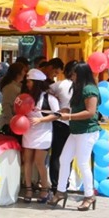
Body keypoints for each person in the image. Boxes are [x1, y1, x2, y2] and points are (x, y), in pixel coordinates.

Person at [49, 62, 100, 212]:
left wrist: (69, 116)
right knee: (64, 159)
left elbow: (90, 112)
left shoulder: (90, 90)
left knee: (83, 163)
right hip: (76, 130)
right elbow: (74, 108)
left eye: (75, 74)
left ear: (82, 74)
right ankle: (60, 191)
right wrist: (63, 112)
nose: (72, 77)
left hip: (87, 131)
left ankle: (89, 195)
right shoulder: (77, 88)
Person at [19, 69, 57, 203]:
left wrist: (40, 120)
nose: (27, 84)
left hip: (44, 133)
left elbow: (57, 114)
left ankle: (45, 188)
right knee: (27, 161)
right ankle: (28, 188)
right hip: (28, 132)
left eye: (29, 81)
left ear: (36, 83)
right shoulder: (25, 97)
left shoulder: (49, 98)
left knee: (39, 161)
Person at [47, 59, 73, 192]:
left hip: (59, 122)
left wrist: (56, 100)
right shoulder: (80, 87)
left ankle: (56, 184)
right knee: (69, 156)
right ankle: (65, 182)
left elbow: (47, 91)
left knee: (57, 154)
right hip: (73, 124)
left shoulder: (59, 85)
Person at [0, 62, 27, 134]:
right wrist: (11, 121)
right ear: (18, 73)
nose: (25, 73)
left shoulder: (17, 85)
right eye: (24, 71)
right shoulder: (10, 87)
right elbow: (6, 105)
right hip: (9, 123)